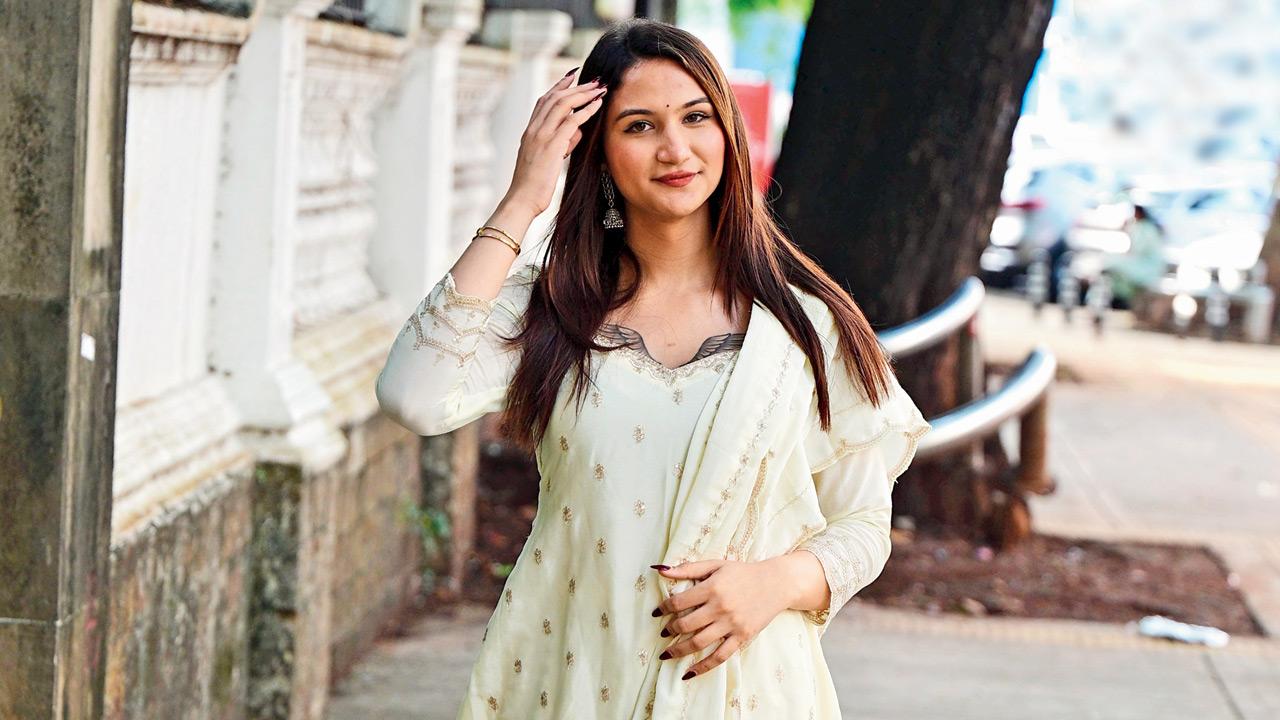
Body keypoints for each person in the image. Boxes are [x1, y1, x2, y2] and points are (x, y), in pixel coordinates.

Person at [375, 17, 930, 719]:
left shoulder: (807, 328)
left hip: (744, 691)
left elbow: (863, 526)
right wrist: (522, 200)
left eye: (696, 117)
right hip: (572, 678)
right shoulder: (555, 309)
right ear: (599, 152)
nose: (675, 148)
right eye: (639, 126)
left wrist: (776, 583)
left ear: (727, 132)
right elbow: (414, 394)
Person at [1104, 204, 1166, 308]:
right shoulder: (1143, 227)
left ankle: (1122, 301)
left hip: (1147, 267)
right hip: (1146, 265)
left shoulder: (1145, 228)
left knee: (1113, 264)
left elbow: (1139, 249)